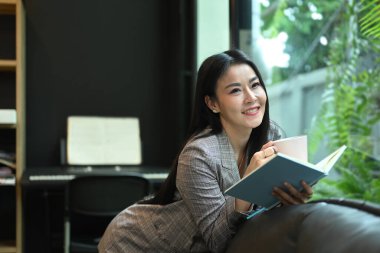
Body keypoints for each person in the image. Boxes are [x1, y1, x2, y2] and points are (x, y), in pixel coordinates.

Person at [98, 49, 313, 253]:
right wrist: (249, 184)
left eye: (255, 85)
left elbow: (266, 214)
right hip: (136, 244)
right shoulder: (198, 155)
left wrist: (291, 197)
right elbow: (217, 241)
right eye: (236, 90)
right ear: (212, 104)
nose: (251, 97)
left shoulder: (272, 136)